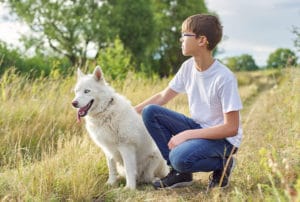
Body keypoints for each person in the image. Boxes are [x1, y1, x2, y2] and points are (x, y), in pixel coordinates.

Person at [135, 14, 242, 191]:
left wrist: (187, 135)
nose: (181, 39)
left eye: (185, 34)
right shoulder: (187, 67)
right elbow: (163, 96)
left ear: (202, 40)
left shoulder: (224, 77)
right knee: (150, 111)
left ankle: (224, 163)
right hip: (199, 127)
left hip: (223, 140)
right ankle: (180, 174)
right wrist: (130, 111)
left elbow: (231, 128)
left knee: (178, 157)